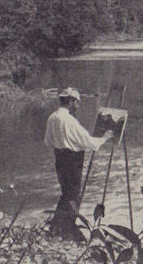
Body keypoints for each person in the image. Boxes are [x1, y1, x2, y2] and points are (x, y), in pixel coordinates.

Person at [44, 87, 113, 239]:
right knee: (73, 195)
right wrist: (105, 138)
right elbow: (88, 141)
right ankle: (68, 229)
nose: (78, 106)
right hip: (72, 159)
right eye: (77, 102)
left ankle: (56, 226)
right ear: (71, 101)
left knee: (66, 193)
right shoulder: (69, 120)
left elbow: (48, 142)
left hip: (59, 158)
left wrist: (62, 143)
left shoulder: (52, 117)